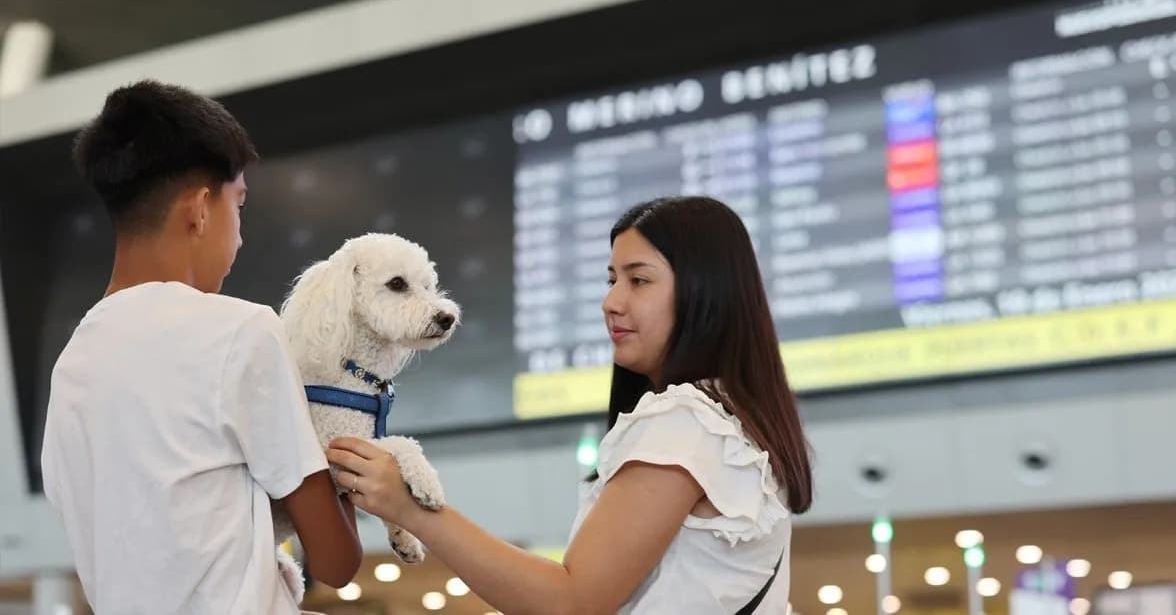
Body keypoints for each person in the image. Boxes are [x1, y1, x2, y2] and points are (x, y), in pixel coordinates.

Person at [328, 196, 813, 614]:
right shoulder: (733, 418)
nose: (612, 301)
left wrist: (413, 510)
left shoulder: (685, 421)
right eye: (611, 279)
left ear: (705, 291)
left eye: (639, 280)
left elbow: (571, 602)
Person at [39, 80, 362, 614]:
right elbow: (335, 561)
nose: (240, 235)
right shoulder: (239, 329)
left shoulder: (71, 365)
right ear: (200, 209)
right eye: (239, 205)